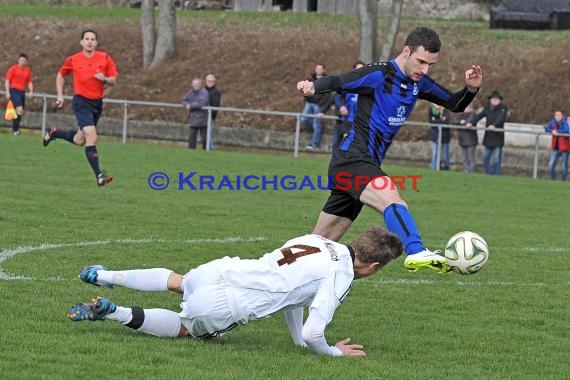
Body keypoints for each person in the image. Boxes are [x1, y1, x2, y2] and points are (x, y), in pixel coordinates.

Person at [297, 27, 482, 273]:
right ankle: (415, 250)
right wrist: (313, 86)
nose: (424, 69)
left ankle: (285, 277)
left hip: (362, 166)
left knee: (320, 246)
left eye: (430, 64)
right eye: (421, 61)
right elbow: (340, 81)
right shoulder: (379, 74)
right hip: (353, 159)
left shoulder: (419, 83)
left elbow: (454, 104)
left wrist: (471, 89)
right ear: (406, 51)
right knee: (392, 199)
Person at [67, 227, 403, 357]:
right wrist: (332, 352)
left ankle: (102, 274)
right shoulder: (340, 276)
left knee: (180, 281)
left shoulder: (316, 240)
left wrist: (297, 340)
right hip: (228, 303)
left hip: (222, 270)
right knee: (188, 330)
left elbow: (294, 293)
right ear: (372, 267)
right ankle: (113, 312)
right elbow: (315, 330)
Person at [42, 29, 117, 187]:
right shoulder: (73, 59)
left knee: (80, 140)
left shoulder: (105, 57)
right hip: (81, 102)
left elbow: (114, 80)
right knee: (92, 135)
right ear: (81, 42)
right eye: (86, 39)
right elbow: (61, 75)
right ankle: (99, 176)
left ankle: (54, 132)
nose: (89, 41)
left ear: (96, 42)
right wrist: (60, 95)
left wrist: (104, 78)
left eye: (92, 39)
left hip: (97, 103)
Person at [466, 90, 507, 175]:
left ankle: (496, 176)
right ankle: (489, 175)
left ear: (500, 100)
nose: (494, 100)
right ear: (490, 100)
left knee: (496, 159)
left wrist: (494, 125)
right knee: (485, 158)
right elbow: (479, 116)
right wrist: (471, 123)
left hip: (498, 138)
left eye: (496, 99)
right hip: (488, 138)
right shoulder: (487, 108)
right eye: (493, 99)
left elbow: (501, 118)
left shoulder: (503, 108)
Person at [332, 61, 365, 153]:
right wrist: (342, 106)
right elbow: (337, 97)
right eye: (357, 68)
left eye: (361, 68)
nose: (359, 70)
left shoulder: (368, 84)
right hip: (346, 121)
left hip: (361, 122)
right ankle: (336, 164)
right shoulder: (348, 82)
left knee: (354, 148)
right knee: (338, 144)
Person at [300, 64, 333, 150]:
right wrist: (307, 98)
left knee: (317, 124)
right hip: (309, 103)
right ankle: (316, 127)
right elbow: (305, 90)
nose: (318, 70)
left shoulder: (326, 80)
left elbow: (328, 94)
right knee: (303, 119)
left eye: (320, 68)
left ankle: (314, 144)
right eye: (317, 68)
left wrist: (321, 104)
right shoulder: (311, 78)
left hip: (318, 105)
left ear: (323, 70)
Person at [4, 53, 34, 136]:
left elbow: (29, 82)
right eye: (21, 60)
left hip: (22, 92)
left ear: (26, 62)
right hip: (14, 90)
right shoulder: (13, 69)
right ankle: (15, 129)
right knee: (19, 109)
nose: (22, 62)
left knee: (19, 111)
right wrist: (7, 91)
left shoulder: (27, 70)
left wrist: (31, 91)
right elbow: (7, 81)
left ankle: (15, 129)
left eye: (24, 60)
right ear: (18, 60)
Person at [182, 78, 210, 150]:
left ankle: (206, 152)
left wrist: (190, 106)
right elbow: (183, 100)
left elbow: (202, 103)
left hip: (203, 119)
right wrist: (186, 104)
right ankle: (191, 152)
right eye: (194, 84)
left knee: (205, 138)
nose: (195, 85)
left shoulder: (204, 92)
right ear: (192, 85)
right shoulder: (190, 92)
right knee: (192, 137)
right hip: (193, 119)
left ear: (200, 84)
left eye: (197, 84)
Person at [544, 110, 569, 181]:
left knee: (564, 167)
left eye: (559, 115)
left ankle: (563, 181)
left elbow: (566, 130)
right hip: (555, 148)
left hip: (564, 148)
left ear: (562, 116)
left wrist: (557, 131)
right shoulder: (552, 122)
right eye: (556, 115)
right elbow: (546, 128)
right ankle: (553, 180)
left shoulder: (565, 122)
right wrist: (552, 131)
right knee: (551, 165)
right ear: (554, 116)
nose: (558, 117)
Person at [428, 103, 451, 170]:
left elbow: (446, 122)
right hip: (435, 135)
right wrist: (441, 120)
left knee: (445, 154)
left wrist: (435, 120)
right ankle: (433, 169)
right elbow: (430, 121)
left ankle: (446, 169)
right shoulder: (431, 109)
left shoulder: (446, 109)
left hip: (445, 136)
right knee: (435, 154)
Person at [455, 103, 478, 173]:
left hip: (471, 140)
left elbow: (469, 122)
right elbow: (455, 122)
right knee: (464, 158)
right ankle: (466, 172)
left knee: (471, 159)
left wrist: (462, 123)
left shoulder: (473, 114)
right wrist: (462, 123)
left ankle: (471, 173)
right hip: (462, 139)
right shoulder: (460, 115)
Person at [205, 73, 221, 150]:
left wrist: (211, 116)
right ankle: (207, 148)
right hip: (202, 116)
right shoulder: (203, 90)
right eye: (208, 81)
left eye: (212, 81)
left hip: (210, 116)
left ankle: (210, 149)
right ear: (206, 81)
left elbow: (215, 105)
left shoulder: (216, 92)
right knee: (205, 133)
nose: (210, 82)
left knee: (208, 134)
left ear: (214, 82)